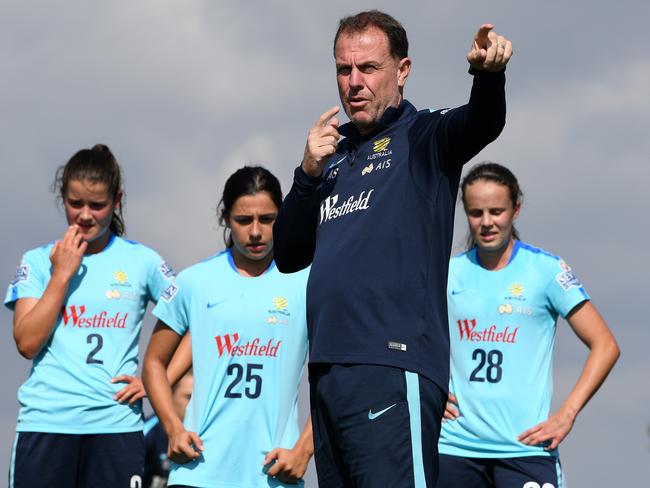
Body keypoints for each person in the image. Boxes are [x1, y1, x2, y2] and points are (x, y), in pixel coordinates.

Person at [272, 9, 512, 487]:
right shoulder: (332, 152)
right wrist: (305, 176)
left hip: (391, 364)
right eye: (344, 69)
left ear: (402, 70)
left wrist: (488, 77)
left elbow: (482, 121)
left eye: (368, 68)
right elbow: (288, 254)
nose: (354, 82)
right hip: (327, 372)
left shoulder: (424, 136)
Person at [437, 162, 620, 487]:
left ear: (516, 209)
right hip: (454, 448)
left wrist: (567, 415)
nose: (487, 222)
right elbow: (403, 334)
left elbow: (605, 346)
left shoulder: (546, 270)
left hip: (526, 448)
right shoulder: (447, 273)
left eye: (497, 211)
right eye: (476, 213)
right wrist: (429, 394)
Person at [5, 144, 176, 488]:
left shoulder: (142, 262)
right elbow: (27, 342)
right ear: (63, 198)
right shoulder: (38, 261)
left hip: (116, 428)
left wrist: (158, 379)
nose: (85, 215)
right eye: (75, 203)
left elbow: (194, 319)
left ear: (117, 201)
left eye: (97, 205)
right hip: (46, 424)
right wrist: (62, 275)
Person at [143, 166, 313, 488]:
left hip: (273, 475)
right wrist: (173, 428)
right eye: (243, 220)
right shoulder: (195, 281)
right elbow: (153, 363)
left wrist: (304, 450)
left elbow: (337, 375)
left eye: (267, 219)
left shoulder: (307, 283)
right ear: (225, 217)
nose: (255, 232)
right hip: (199, 473)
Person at [144, 370, 194, 488]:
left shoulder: (210, 433)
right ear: (169, 395)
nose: (194, 404)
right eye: (189, 397)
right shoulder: (147, 432)